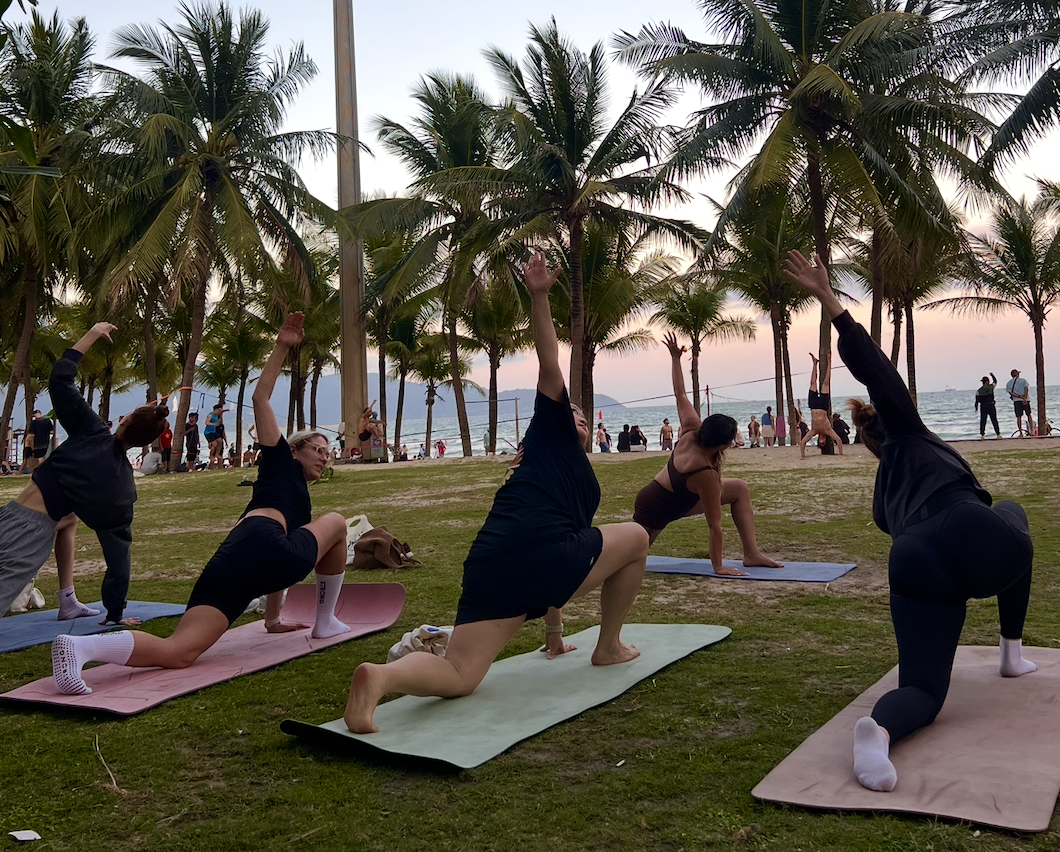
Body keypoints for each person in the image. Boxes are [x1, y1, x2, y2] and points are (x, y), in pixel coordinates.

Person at [343, 251, 650, 733]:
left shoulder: (542, 471)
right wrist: (540, 297)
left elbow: (555, 557)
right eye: (574, 414)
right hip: (538, 555)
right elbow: (550, 364)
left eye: (584, 418)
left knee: (461, 672)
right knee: (636, 537)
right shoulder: (548, 433)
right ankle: (608, 646)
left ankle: (381, 679)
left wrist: (551, 632)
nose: (580, 418)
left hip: (490, 563)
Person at [785, 250, 1037, 793]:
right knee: (1014, 520)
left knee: (923, 688)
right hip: (962, 526)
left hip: (913, 561)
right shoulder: (910, 431)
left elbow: (888, 524)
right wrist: (830, 301)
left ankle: (878, 731)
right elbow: (875, 371)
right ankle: (1012, 654)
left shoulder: (884, 487)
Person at [51, 313, 353, 696]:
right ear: (294, 449)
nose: (325, 458)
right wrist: (281, 347)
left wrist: (273, 620)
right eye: (318, 449)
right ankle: (325, 622)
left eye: (330, 454)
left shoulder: (285, 490)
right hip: (263, 547)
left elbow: (271, 564)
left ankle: (80, 648)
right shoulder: (278, 458)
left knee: (179, 651)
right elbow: (261, 397)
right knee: (338, 523)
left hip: (233, 558)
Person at [0, 322, 170, 624]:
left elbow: (61, 379)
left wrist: (92, 334)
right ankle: (68, 600)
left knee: (68, 520)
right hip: (33, 534)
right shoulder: (120, 488)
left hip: (12, 516)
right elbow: (119, 560)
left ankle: (68, 601)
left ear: (125, 419)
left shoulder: (91, 431)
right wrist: (115, 612)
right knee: (68, 519)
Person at [632, 333, 784, 576]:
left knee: (739, 488)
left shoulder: (693, 429)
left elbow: (680, 394)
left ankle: (752, 554)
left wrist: (675, 359)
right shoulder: (705, 473)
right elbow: (714, 525)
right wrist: (718, 567)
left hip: (678, 499)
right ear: (723, 445)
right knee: (626, 558)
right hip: (655, 507)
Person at [799, 353, 845, 459]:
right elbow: (838, 440)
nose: (822, 441)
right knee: (826, 383)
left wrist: (802, 456)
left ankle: (815, 363)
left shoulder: (814, 431)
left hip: (813, 405)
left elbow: (803, 442)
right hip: (823, 406)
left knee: (812, 383)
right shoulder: (828, 430)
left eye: (821, 443)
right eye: (823, 442)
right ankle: (829, 362)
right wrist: (841, 454)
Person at [24, 409, 54, 474]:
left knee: (40, 457)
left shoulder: (34, 423)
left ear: (34, 415)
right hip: (46, 441)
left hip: (37, 442)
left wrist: (31, 444)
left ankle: (42, 470)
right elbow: (52, 431)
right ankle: (44, 469)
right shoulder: (47, 421)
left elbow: (32, 434)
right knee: (44, 456)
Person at [1005, 369, 1034, 436]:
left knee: (1019, 417)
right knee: (1029, 415)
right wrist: (1025, 398)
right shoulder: (1023, 380)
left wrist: (1019, 396)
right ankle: (1032, 430)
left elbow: (1011, 393)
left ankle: (1020, 432)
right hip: (1026, 400)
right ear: (1018, 374)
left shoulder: (1009, 383)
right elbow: (1026, 389)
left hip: (1017, 400)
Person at [974, 374, 1002, 440]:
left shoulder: (979, 390)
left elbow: (977, 400)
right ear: (987, 381)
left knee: (983, 420)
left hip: (983, 406)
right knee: (994, 420)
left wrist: (976, 407)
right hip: (991, 405)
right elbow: (995, 381)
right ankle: (998, 434)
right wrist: (993, 376)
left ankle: (982, 435)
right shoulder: (991, 387)